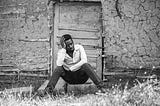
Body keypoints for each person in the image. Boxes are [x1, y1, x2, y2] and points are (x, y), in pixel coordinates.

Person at [33, 34, 106, 95]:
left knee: (86, 65)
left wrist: (72, 68)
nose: (70, 46)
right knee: (59, 69)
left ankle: (101, 87)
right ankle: (48, 91)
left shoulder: (79, 48)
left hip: (81, 76)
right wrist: (64, 50)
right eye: (68, 45)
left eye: (71, 44)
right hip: (69, 77)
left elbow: (84, 60)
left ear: (73, 42)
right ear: (64, 46)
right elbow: (59, 64)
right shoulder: (61, 52)